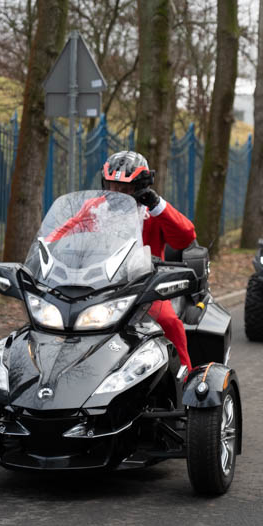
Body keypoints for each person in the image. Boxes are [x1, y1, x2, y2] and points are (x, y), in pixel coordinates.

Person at [100, 150, 196, 373]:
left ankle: (185, 378)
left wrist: (156, 204)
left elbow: (185, 237)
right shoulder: (95, 208)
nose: (117, 192)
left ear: (140, 187)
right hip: (99, 285)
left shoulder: (152, 212)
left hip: (144, 287)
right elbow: (62, 234)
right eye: (113, 186)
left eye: (125, 188)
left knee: (168, 322)